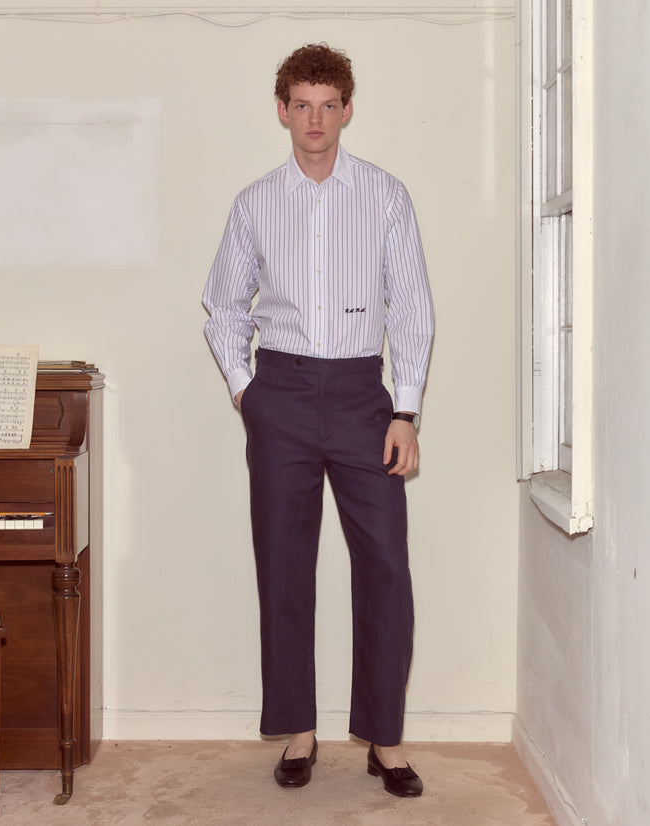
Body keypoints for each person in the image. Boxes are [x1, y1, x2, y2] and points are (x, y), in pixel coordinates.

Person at [202, 43, 434, 797]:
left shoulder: (386, 196)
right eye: (301, 105)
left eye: (328, 105)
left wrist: (406, 409)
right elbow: (222, 305)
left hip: (366, 397)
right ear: (282, 110)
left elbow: (414, 308)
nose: (315, 119)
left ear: (347, 110)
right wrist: (248, 391)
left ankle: (384, 738)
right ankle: (298, 730)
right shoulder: (255, 203)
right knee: (283, 565)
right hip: (283, 394)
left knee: (387, 566)